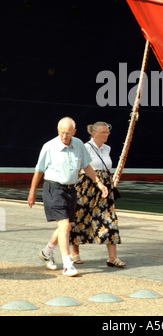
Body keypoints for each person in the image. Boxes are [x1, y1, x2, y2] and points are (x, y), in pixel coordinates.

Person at [28, 117, 108, 277]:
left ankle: (46, 253)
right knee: (64, 226)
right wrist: (32, 193)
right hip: (53, 188)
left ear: (74, 132)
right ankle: (67, 264)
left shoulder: (78, 144)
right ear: (58, 131)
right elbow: (39, 171)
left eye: (68, 133)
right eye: (62, 133)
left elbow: (86, 166)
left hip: (71, 189)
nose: (65, 136)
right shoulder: (49, 146)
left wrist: (98, 182)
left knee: (66, 227)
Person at [70, 121, 126, 268]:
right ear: (94, 133)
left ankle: (112, 257)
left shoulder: (107, 148)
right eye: (103, 132)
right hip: (86, 186)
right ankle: (74, 253)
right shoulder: (85, 148)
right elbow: (79, 167)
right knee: (79, 217)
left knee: (110, 219)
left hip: (104, 189)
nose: (106, 135)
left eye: (107, 132)